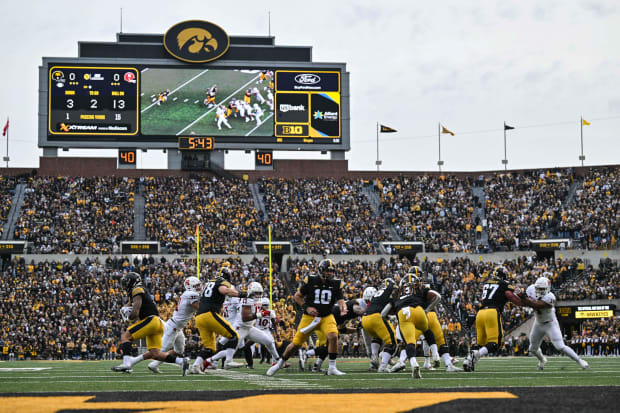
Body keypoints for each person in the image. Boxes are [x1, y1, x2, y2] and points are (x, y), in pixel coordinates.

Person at [267, 259, 347, 376]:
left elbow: (341, 300)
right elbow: (297, 296)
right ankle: (279, 364)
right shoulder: (311, 280)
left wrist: (343, 307)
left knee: (333, 336)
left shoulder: (336, 283)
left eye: (331, 271)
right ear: (320, 270)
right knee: (296, 344)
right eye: (327, 270)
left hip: (326, 316)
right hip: (309, 317)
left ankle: (332, 367)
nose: (329, 273)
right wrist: (307, 307)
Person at [111, 272, 189, 375]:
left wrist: (128, 317)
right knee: (155, 354)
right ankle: (181, 361)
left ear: (132, 282)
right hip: (156, 323)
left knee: (125, 337)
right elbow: (129, 305)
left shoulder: (137, 290)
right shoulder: (138, 291)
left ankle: (127, 363)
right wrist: (124, 309)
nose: (125, 286)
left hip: (150, 321)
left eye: (126, 283)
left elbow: (135, 311)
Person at [464, 266, 528, 372]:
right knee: (496, 342)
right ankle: (476, 355)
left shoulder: (487, 283)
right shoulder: (503, 284)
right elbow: (514, 292)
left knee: (479, 343)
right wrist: (524, 298)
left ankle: (468, 360)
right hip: (491, 312)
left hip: (480, 313)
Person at [524, 275, 589, 370]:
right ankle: (542, 360)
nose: (539, 291)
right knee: (532, 349)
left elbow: (536, 304)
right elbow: (523, 301)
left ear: (547, 289)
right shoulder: (531, 289)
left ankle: (580, 361)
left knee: (560, 346)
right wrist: (519, 296)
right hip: (538, 323)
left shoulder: (550, 297)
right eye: (538, 288)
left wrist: (523, 298)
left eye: (542, 289)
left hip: (550, 323)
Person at [190, 267, 243, 373]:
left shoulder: (211, 282)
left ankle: (195, 366)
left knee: (210, 348)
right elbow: (224, 290)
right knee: (233, 335)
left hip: (199, 317)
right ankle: (228, 361)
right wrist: (242, 294)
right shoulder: (223, 282)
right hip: (209, 314)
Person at [147, 276, 202, 373]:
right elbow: (199, 307)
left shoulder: (189, 294)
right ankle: (141, 362)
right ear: (190, 286)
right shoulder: (191, 294)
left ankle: (154, 364)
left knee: (179, 350)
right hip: (174, 326)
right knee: (161, 349)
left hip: (178, 327)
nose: (198, 287)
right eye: (196, 285)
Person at [361, 279, 398, 373]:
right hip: (376, 318)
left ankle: (374, 356)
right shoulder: (390, 290)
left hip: (365, 319)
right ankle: (383, 366)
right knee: (392, 341)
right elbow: (384, 311)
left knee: (377, 337)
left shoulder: (377, 294)